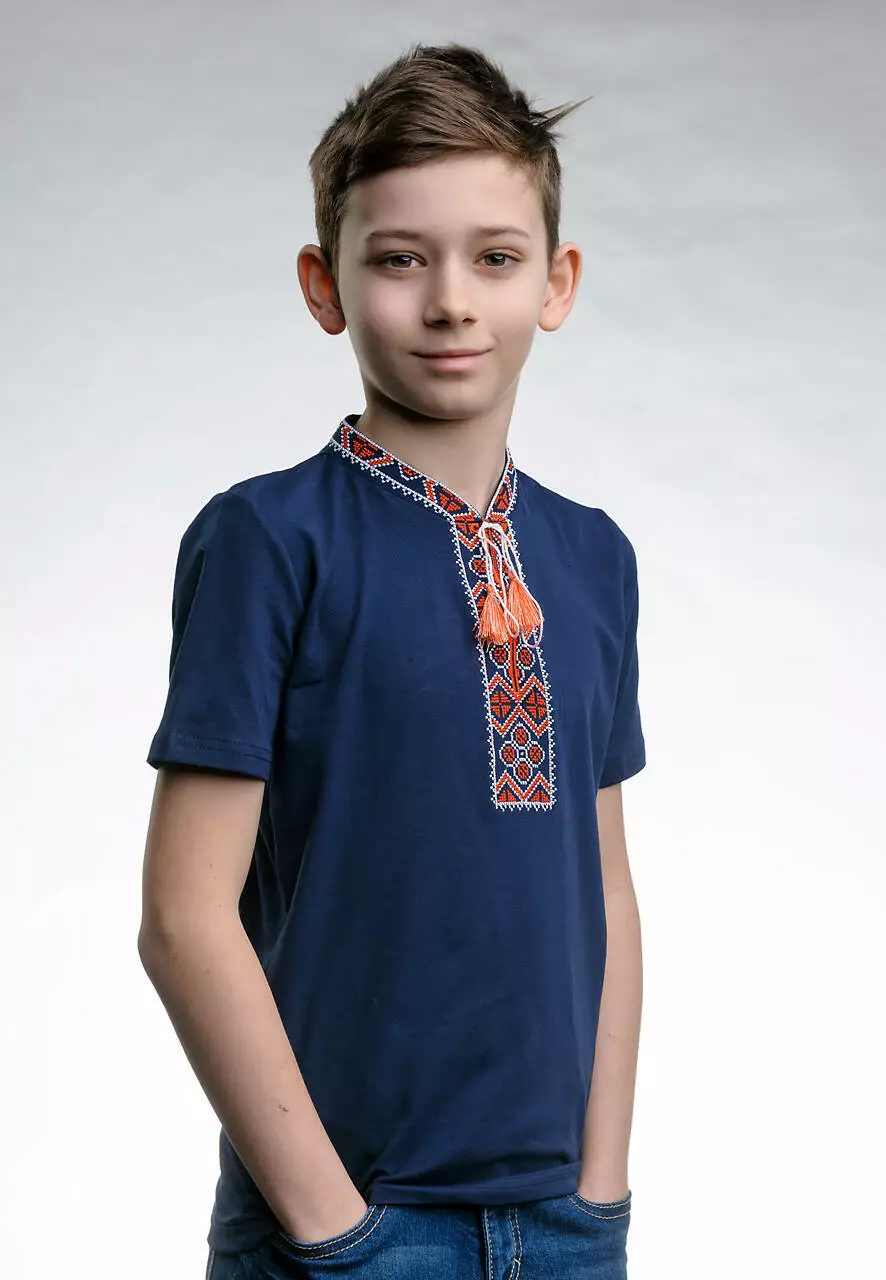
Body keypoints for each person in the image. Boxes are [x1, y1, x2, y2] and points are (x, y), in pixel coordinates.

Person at [139, 41, 647, 1280]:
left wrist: (599, 1189)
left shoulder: (592, 555)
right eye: (401, 259)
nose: (452, 301)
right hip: (349, 1225)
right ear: (327, 285)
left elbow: (607, 886)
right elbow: (183, 915)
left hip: (565, 1227)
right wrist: (333, 1225)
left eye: (495, 257)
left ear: (557, 282)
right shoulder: (268, 540)